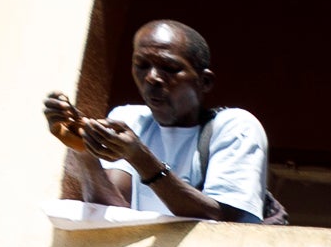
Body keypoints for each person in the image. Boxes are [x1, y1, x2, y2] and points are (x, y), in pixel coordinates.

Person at [43, 20, 272, 223]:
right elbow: (114, 212)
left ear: (205, 81)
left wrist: (140, 158)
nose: (151, 77)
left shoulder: (235, 127)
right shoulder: (129, 119)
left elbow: (225, 220)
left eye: (169, 68)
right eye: (141, 65)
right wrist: (85, 151)